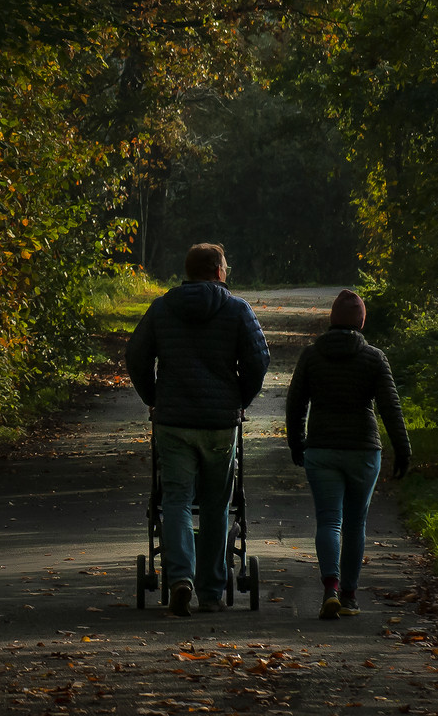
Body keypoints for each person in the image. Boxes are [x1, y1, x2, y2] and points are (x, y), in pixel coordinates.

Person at [126, 243, 271, 616]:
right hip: (219, 423)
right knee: (215, 503)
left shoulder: (162, 308)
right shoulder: (237, 310)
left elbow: (136, 355)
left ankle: (179, 579)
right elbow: (258, 358)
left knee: (174, 498)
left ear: (188, 272)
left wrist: (152, 396)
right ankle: (210, 591)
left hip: (173, 421)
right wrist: (242, 398)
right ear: (218, 271)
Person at [286, 288, 411, 620]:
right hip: (363, 451)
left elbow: (296, 404)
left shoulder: (312, 356)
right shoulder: (373, 357)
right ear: (362, 322)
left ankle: (331, 589)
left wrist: (297, 443)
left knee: (329, 520)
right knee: (355, 523)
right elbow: (390, 407)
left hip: (322, 449)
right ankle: (351, 597)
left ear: (331, 319)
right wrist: (403, 449)